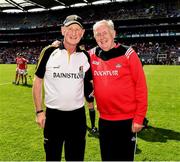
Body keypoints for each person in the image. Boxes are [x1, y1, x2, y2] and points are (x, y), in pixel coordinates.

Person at [32, 15, 92, 161]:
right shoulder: (48, 52)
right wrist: (39, 111)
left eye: (77, 29)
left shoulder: (85, 56)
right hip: (53, 117)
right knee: (52, 158)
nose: (74, 32)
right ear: (63, 30)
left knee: (76, 158)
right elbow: (37, 81)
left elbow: (90, 82)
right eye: (70, 28)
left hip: (77, 117)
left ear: (83, 32)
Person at [88, 20, 148, 161]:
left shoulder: (128, 54)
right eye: (98, 35)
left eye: (105, 33)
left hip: (127, 120)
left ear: (113, 33)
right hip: (104, 120)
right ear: (94, 37)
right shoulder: (91, 55)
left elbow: (141, 87)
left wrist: (139, 118)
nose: (102, 37)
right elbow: (75, 57)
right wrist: (58, 45)